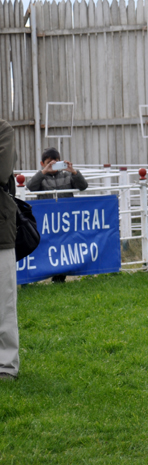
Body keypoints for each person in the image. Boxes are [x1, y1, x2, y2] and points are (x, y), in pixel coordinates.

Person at [27, 147, 88, 282]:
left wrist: (74, 172)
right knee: (49, 246)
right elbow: (30, 187)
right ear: (42, 163)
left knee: (66, 245)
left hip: (66, 219)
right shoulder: (41, 177)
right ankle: (49, 274)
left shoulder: (67, 175)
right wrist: (43, 172)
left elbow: (83, 186)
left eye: (56, 162)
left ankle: (60, 277)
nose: (53, 165)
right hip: (48, 220)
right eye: (49, 162)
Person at [0, 119, 19, 381]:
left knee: (3, 302)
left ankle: (6, 366)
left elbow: (1, 170)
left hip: (1, 233)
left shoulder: (3, 129)